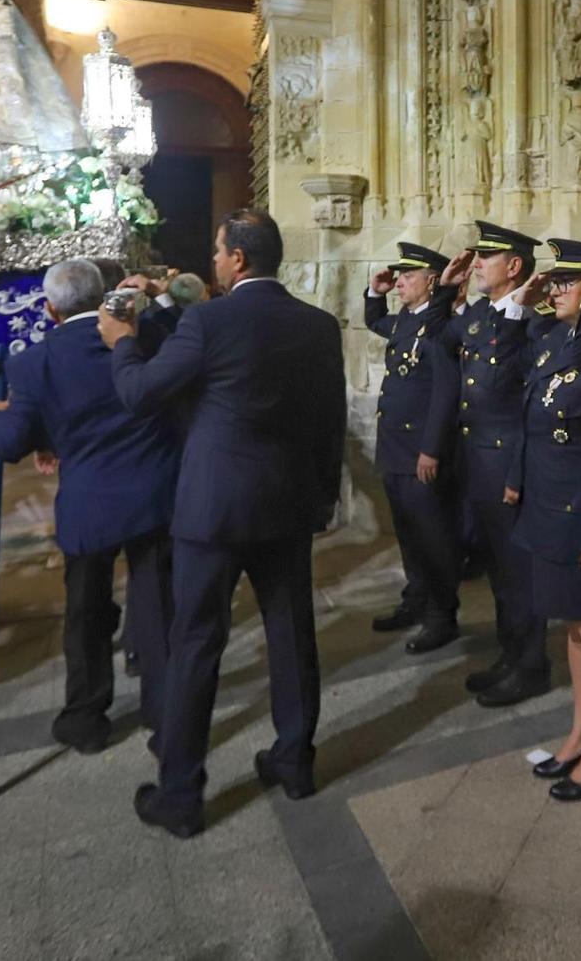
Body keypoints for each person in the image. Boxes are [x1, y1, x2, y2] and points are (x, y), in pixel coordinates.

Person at [109, 209, 345, 837]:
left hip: (213, 510)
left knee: (196, 645)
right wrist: (322, 500)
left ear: (238, 259)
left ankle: (181, 795)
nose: (213, 260)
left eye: (217, 251)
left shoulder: (207, 322)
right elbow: (329, 420)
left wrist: (122, 342)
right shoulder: (318, 326)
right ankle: (295, 762)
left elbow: (140, 394)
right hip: (287, 504)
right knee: (292, 635)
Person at [0, 258, 178, 755]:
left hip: (89, 503)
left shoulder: (35, 362)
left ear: (50, 309)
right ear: (103, 296)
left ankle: (87, 718)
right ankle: (164, 711)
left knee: (86, 612)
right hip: (155, 493)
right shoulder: (147, 334)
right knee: (157, 607)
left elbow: (11, 440)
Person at [503, 238, 581, 801]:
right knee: (574, 629)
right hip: (548, 509)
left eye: (567, 282)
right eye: (553, 281)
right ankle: (580, 730)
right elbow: (507, 345)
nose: (554, 289)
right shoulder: (553, 339)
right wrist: (524, 298)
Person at [440, 221, 551, 707]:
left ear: (515, 267)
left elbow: (533, 403)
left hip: (508, 469)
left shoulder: (534, 320)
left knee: (520, 575)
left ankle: (531, 666)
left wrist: (518, 474)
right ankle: (510, 655)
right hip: (478, 465)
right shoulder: (483, 313)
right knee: (500, 575)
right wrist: (449, 293)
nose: (476, 263)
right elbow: (441, 339)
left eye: (487, 257)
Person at [363, 242, 463, 654]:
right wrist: (376, 291)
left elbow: (446, 393)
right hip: (395, 446)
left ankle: (442, 615)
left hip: (421, 449)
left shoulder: (440, 327)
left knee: (433, 536)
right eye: (399, 276)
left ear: (432, 281)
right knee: (407, 531)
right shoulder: (405, 320)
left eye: (408, 276)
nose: (400, 281)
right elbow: (375, 321)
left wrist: (432, 449)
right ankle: (416, 599)